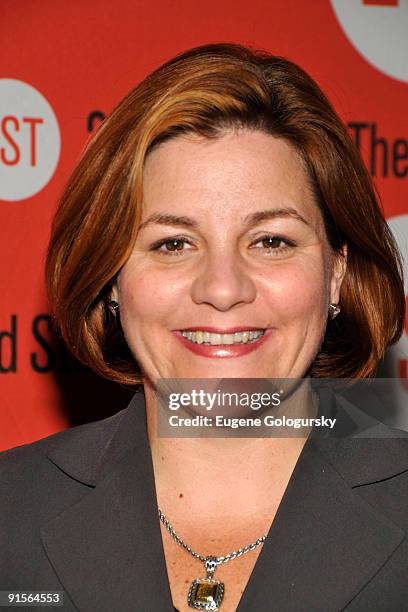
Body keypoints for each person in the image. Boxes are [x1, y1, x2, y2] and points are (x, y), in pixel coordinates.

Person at [0, 42, 407, 612]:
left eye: (270, 241)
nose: (221, 288)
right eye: (173, 243)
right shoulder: (8, 515)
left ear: (336, 273)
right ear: (112, 280)